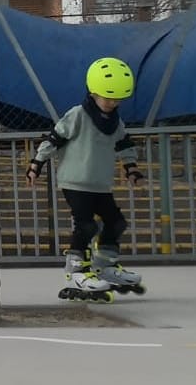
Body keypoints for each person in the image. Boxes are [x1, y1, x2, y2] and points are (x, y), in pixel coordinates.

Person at [29, 58, 147, 302]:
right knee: (86, 225)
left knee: (116, 223)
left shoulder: (115, 122)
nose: (112, 103)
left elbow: (124, 144)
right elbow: (55, 138)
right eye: (107, 98)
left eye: (117, 100)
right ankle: (76, 272)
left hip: (100, 183)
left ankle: (104, 267)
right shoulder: (78, 115)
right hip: (75, 181)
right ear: (93, 93)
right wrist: (36, 164)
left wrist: (131, 168)